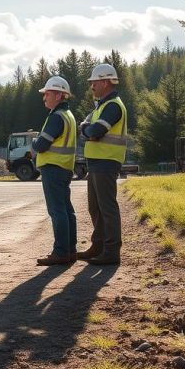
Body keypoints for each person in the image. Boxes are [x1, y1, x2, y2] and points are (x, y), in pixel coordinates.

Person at [77, 63, 128, 265]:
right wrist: (87, 130)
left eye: (94, 82)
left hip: (107, 161)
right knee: (95, 207)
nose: (91, 86)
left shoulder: (113, 105)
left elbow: (94, 131)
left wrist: (88, 130)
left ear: (105, 81)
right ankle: (98, 246)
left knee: (107, 208)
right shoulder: (101, 106)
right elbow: (85, 128)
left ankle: (112, 251)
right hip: (97, 162)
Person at [31, 75, 78, 266]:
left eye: (47, 94)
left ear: (59, 95)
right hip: (64, 167)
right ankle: (70, 250)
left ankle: (60, 252)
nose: (44, 98)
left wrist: (34, 141)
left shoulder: (56, 117)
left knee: (57, 211)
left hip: (53, 168)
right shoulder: (68, 116)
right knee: (66, 210)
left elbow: (41, 144)